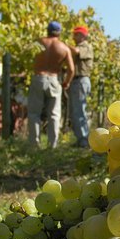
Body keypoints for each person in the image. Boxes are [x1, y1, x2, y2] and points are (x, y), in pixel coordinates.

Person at [27, 21, 74, 149]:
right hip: (53, 79)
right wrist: (66, 83)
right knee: (54, 114)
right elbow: (71, 70)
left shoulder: (38, 43)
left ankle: (34, 145)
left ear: (47, 30)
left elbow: (27, 56)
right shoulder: (64, 47)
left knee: (34, 113)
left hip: (38, 78)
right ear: (59, 32)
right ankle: (52, 145)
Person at [67, 25, 93, 148]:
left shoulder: (85, 46)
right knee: (75, 111)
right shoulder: (77, 47)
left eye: (76, 34)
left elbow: (76, 52)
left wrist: (62, 46)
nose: (74, 36)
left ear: (83, 35)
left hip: (81, 80)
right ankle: (80, 139)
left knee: (79, 111)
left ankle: (84, 141)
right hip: (76, 81)